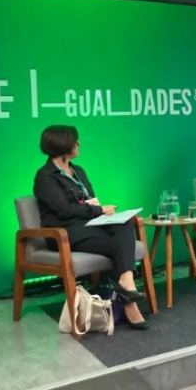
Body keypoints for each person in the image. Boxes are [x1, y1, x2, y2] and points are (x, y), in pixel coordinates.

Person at [32, 125, 148, 330]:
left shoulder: (78, 171)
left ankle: (126, 283)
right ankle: (130, 302)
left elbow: (90, 199)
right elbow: (64, 211)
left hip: (89, 224)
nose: (79, 144)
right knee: (118, 244)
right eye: (75, 140)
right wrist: (96, 210)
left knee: (123, 226)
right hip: (64, 232)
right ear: (62, 143)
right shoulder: (45, 177)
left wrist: (97, 209)